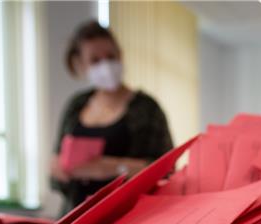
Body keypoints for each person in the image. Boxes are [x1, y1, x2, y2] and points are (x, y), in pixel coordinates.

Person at [51, 21, 173, 214]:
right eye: (95, 60)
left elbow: (167, 170)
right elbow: (57, 161)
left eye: (110, 57)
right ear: (81, 65)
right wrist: (59, 168)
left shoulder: (146, 108)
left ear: (120, 55)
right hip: (74, 216)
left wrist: (112, 167)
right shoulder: (76, 106)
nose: (106, 65)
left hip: (127, 219)